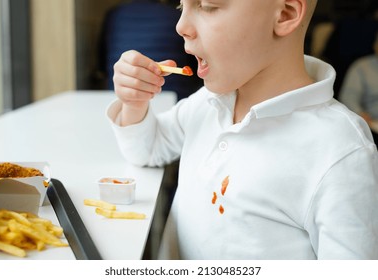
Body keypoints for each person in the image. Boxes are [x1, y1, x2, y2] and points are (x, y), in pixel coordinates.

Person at [107, 0, 378, 259]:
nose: (180, 26)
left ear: (284, 14)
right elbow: (147, 149)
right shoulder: (208, 102)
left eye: (208, 6)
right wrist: (135, 102)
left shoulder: (342, 151)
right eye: (182, 5)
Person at [339, 32, 378, 144]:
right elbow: (348, 97)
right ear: (375, 46)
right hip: (372, 125)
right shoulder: (361, 66)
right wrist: (360, 114)